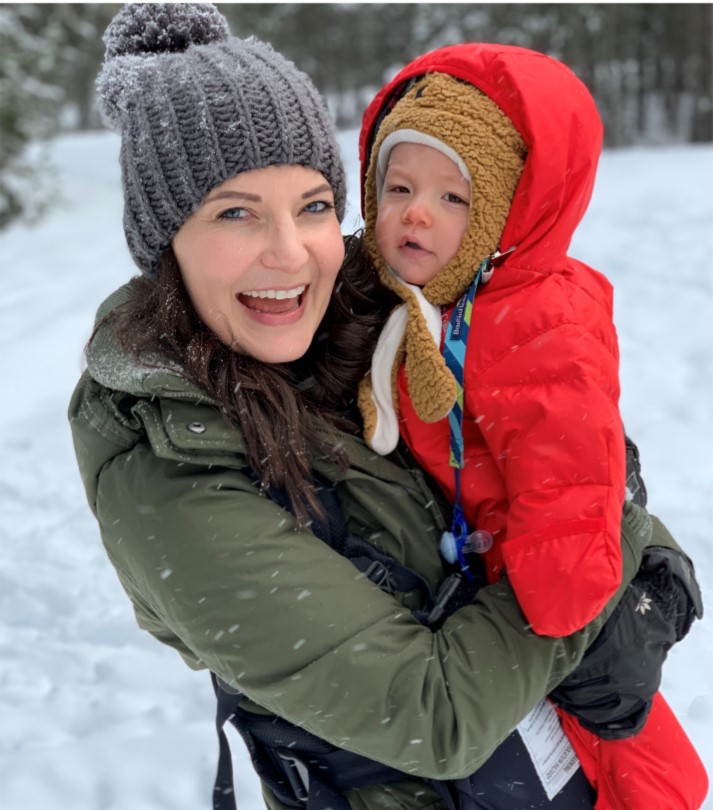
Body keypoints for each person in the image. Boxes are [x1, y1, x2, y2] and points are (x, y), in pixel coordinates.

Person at [68, 6, 698, 810]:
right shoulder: (166, 475)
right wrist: (589, 593)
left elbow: (562, 451)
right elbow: (434, 716)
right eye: (235, 212)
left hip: (563, 772)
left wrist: (647, 563)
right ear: (166, 241)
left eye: (313, 206)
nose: (289, 253)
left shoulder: (381, 312)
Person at [357, 44, 707, 808]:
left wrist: (560, 602)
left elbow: (570, 462)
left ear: (505, 214)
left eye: (453, 199)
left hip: (545, 605)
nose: (415, 212)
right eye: (399, 187)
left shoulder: (535, 318)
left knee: (611, 756)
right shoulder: (427, 298)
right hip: (479, 580)